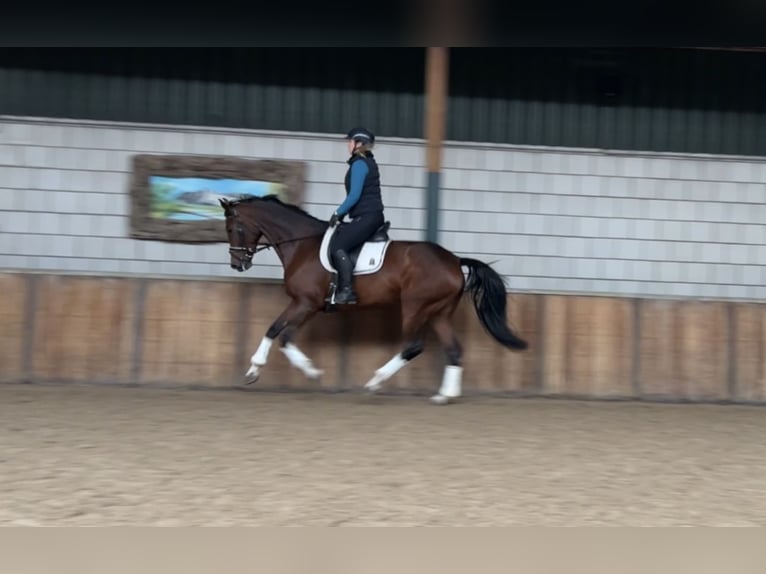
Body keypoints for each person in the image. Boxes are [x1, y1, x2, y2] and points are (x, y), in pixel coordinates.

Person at [328, 127, 386, 305]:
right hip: (371, 215)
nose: (348, 145)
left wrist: (337, 214)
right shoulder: (367, 161)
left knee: (337, 246)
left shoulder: (360, 164)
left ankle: (347, 291)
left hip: (368, 217)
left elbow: (354, 196)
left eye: (350, 141)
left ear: (358, 144)